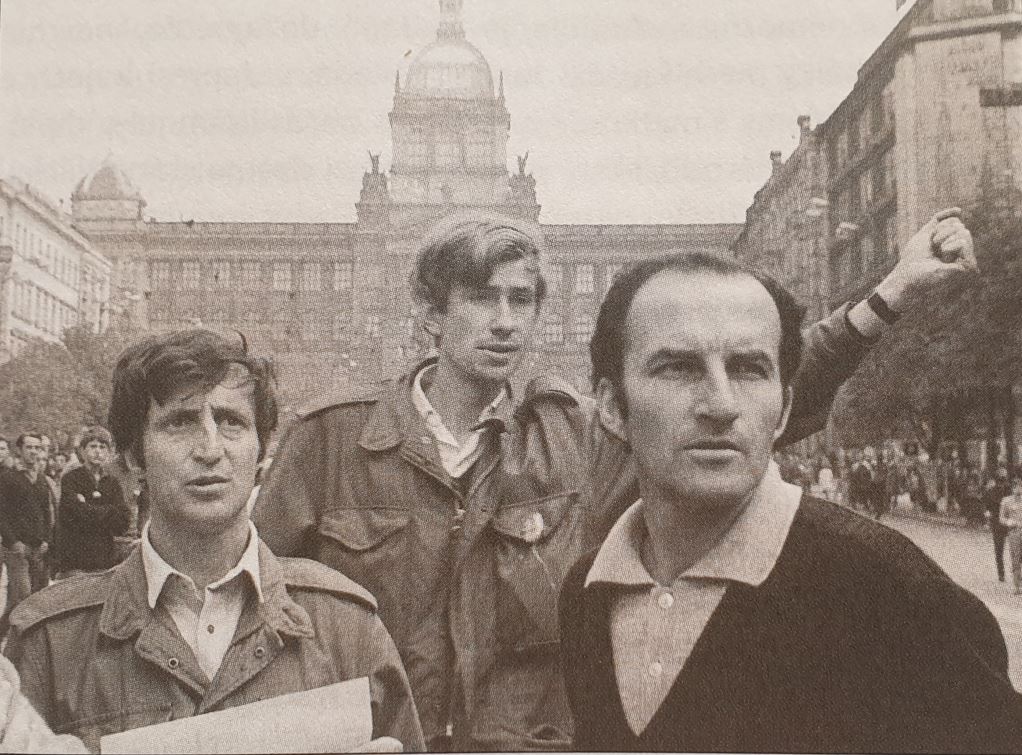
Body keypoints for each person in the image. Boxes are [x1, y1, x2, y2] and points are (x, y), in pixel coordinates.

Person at [254, 209, 977, 751]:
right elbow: (249, 608)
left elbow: (734, 410)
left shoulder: (574, 436)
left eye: (523, 298)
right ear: (430, 310)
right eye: (481, 297)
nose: (506, 321)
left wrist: (890, 294)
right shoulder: (331, 440)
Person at [558, 239, 1022, 753]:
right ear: (611, 407)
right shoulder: (587, 595)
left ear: (783, 410)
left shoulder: (884, 584)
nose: (722, 405)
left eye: (749, 369)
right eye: (678, 368)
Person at [5, 330, 423, 753]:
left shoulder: (346, 625)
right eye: (180, 422)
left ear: (261, 452)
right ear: (134, 457)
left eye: (231, 422)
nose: (209, 448)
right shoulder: (52, 640)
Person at [53, 426, 131, 578]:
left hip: (104, 559)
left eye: (102, 447)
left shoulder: (112, 483)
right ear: (82, 451)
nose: (98, 451)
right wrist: (109, 510)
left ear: (108, 452)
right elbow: (73, 515)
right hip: (76, 560)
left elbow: (123, 522)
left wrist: (87, 507)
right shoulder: (71, 479)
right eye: (93, 446)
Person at [0, 433, 52, 618]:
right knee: (24, 596)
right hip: (17, 548)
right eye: (29, 447)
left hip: (38, 547)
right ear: (19, 450)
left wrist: (46, 539)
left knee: (26, 599)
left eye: (37, 448)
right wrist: (13, 542)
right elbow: (2, 514)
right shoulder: (8, 477)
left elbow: (47, 512)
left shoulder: (41, 479)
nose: (33, 452)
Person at [985, 468, 1012, 581]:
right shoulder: (991, 491)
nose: (1002, 482)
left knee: (1016, 549)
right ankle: (1001, 573)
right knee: (999, 550)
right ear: (997, 480)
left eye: (1003, 480)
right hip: (998, 524)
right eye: (1000, 480)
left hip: (1010, 524)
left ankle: (1016, 572)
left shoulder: (1010, 491)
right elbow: (987, 507)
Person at [1000, 477, 1022, 595]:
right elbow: (1001, 518)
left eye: (1020, 486)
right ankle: (1016, 586)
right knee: (1015, 559)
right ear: (1012, 488)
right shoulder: (1006, 501)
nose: (1018, 489)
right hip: (1014, 533)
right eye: (1016, 487)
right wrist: (1009, 522)